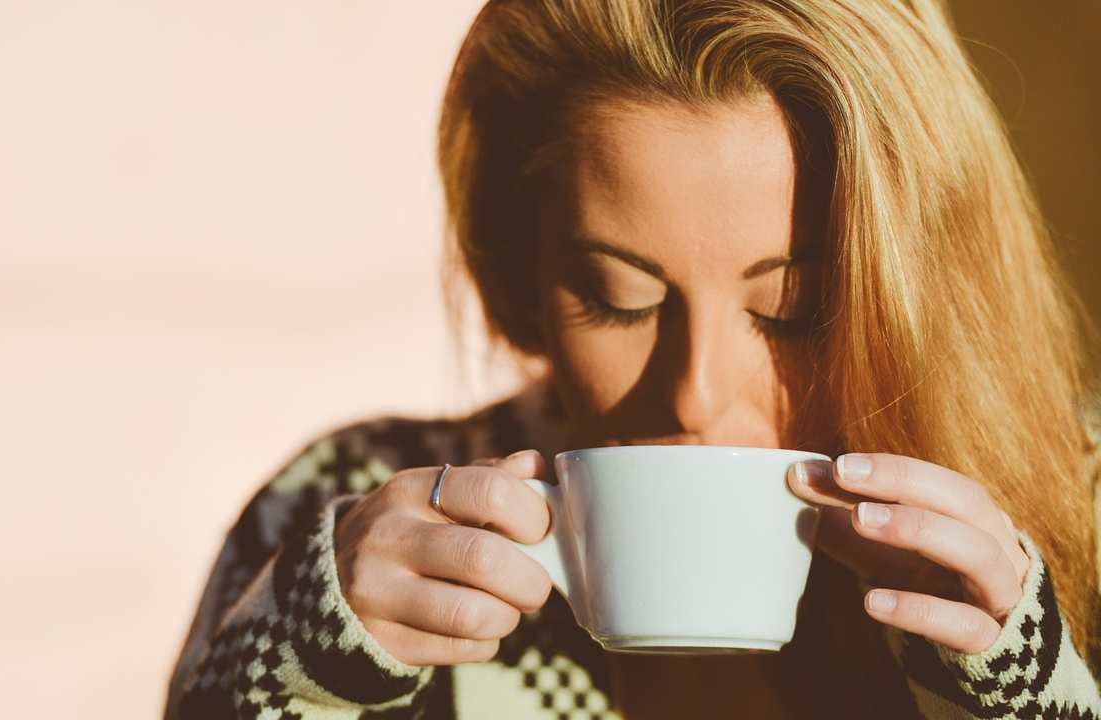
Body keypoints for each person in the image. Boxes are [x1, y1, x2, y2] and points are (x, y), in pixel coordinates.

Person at [164, 0, 1101, 717]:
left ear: (927, 281)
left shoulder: (1080, 503)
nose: (693, 395)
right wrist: (299, 679)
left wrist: (1035, 688)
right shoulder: (348, 500)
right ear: (522, 272)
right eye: (622, 299)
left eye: (793, 308)